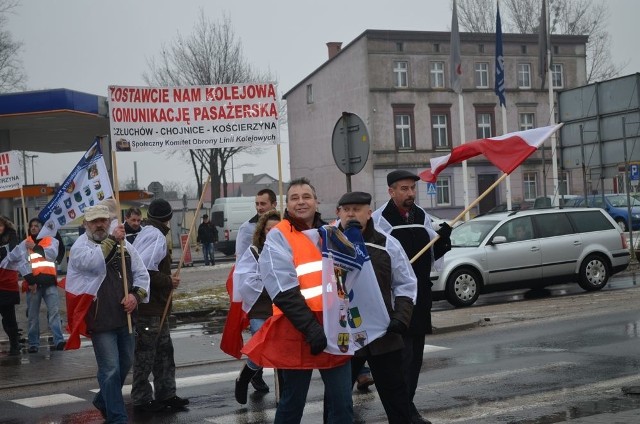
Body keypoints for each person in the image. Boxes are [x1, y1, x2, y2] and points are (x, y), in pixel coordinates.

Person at [242, 177, 353, 423]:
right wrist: (311, 328)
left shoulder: (332, 232)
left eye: (306, 197)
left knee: (342, 402)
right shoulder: (278, 236)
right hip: (296, 326)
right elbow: (282, 290)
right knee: (293, 401)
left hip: (333, 325)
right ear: (287, 204)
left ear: (316, 201)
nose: (301, 202)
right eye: (294, 198)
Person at [372, 170, 452, 424]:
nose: (410, 194)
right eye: (404, 189)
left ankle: (407, 406)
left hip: (420, 295)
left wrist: (443, 241)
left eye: (412, 189)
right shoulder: (381, 220)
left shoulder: (421, 216)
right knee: (400, 359)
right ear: (391, 191)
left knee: (415, 357)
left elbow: (431, 253)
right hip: (396, 300)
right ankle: (402, 411)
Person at [335, 191, 417, 423]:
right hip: (345, 336)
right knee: (336, 402)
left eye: (358, 209)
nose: (351, 214)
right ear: (338, 213)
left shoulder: (386, 244)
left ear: (369, 213)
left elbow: (406, 284)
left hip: (384, 334)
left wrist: (401, 318)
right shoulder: (328, 245)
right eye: (347, 209)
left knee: (397, 400)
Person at [67, 205, 150, 423]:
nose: (100, 225)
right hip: (100, 320)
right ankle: (117, 417)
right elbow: (93, 262)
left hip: (126, 317)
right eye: (94, 221)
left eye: (103, 220)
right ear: (86, 224)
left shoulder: (125, 246)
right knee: (110, 369)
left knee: (125, 365)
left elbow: (141, 273)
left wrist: (135, 296)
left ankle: (103, 400)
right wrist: (113, 239)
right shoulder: (80, 248)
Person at [131, 198, 189, 413]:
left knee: (164, 352)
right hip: (150, 308)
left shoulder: (148, 231)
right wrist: (168, 281)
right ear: (169, 217)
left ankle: (167, 394)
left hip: (156, 307)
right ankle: (141, 399)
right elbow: (144, 270)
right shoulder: (155, 235)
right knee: (147, 355)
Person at [233, 209, 280, 404]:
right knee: (261, 348)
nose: (273, 233)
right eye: (269, 229)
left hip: (285, 308)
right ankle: (244, 378)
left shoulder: (289, 250)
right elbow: (245, 280)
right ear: (263, 231)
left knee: (283, 351)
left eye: (277, 229)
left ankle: (284, 395)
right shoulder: (253, 252)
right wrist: (268, 280)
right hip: (261, 307)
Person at [7, 217, 65, 353]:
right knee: (33, 316)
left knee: (54, 313)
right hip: (33, 285)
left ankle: (59, 340)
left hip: (49, 282)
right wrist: (30, 281)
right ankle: (33, 343)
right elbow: (18, 261)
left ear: (42, 228)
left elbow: (52, 254)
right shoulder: (24, 243)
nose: (33, 228)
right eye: (31, 226)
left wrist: (35, 247)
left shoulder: (51, 240)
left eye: (36, 226)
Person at [235, 188, 277, 258]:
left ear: (274, 204)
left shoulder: (284, 224)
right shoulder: (246, 228)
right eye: (257, 204)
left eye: (263, 204)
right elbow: (241, 256)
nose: (259, 208)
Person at [0, 216, 20, 355]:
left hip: (6, 285)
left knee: (9, 318)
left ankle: (14, 343)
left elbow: (14, 255)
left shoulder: (11, 237)